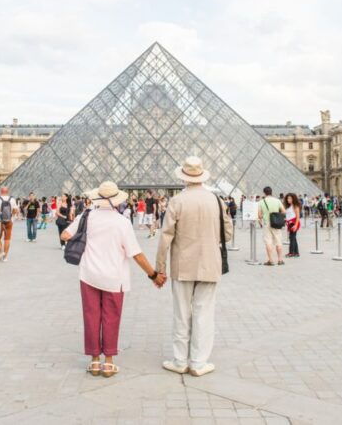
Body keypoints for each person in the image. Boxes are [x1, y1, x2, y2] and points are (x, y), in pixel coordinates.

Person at [61, 181, 163, 378]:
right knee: (111, 317)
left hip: (89, 274)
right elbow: (137, 254)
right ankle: (108, 362)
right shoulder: (122, 222)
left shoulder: (86, 216)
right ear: (117, 200)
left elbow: (66, 235)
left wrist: (80, 239)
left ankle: (94, 361)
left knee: (91, 316)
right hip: (114, 277)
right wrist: (153, 275)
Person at [157, 157, 233, 377]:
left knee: (181, 313)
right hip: (210, 263)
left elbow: (165, 237)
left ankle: (180, 360)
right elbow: (228, 233)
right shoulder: (217, 201)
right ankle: (199, 363)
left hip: (183, 265)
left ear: (183, 177)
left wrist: (160, 267)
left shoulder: (177, 201)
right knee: (204, 313)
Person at [257, 186, 285, 266]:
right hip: (276, 223)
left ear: (264, 193)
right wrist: (276, 214)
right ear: (271, 192)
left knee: (268, 242)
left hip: (267, 224)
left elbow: (259, 215)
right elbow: (283, 211)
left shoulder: (261, 202)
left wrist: (264, 215)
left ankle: (271, 260)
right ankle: (280, 260)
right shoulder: (277, 200)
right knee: (278, 241)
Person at [0, 186, 17, 262]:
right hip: (9, 221)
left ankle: (1, 252)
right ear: (7, 192)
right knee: (7, 239)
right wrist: (11, 216)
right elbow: (15, 210)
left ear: (1, 192)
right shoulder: (12, 199)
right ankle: (5, 257)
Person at [283, 193, 302, 258]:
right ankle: (296, 253)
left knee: (292, 238)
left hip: (294, 223)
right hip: (290, 223)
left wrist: (296, 225)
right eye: (288, 198)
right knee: (293, 238)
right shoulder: (289, 206)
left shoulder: (295, 206)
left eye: (290, 198)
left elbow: (298, 217)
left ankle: (291, 252)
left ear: (293, 199)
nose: (288, 199)